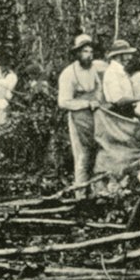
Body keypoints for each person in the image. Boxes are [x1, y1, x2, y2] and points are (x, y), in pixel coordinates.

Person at [58, 35, 103, 189]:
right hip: (78, 116)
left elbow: (98, 87)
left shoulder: (93, 68)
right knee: (82, 155)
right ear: (77, 53)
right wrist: (86, 103)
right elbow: (63, 102)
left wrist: (98, 100)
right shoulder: (68, 73)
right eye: (85, 51)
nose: (89, 55)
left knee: (97, 151)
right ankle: (81, 192)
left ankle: (95, 191)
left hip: (94, 115)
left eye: (91, 52)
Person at [101, 39, 139, 108]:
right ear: (118, 55)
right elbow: (118, 100)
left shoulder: (121, 71)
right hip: (117, 111)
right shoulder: (111, 72)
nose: (130, 57)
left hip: (128, 109)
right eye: (127, 54)